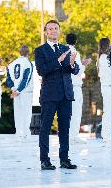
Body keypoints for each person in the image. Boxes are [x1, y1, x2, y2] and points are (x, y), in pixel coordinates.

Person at [34, 20, 79, 170]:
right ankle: (44, 160)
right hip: (49, 95)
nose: (53, 31)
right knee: (45, 128)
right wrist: (58, 61)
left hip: (66, 94)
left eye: (56, 28)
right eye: (50, 29)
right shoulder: (40, 50)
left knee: (65, 128)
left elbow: (75, 70)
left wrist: (72, 63)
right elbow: (41, 70)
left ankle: (64, 159)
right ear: (46, 32)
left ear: (59, 31)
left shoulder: (66, 48)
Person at [66, 33, 91, 144]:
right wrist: (84, 64)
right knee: (75, 112)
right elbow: (78, 70)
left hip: (64, 86)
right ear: (75, 41)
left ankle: (66, 136)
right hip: (74, 86)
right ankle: (73, 136)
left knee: (66, 113)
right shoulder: (75, 52)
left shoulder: (62, 51)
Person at [6, 45, 33, 140]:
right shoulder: (28, 63)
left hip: (15, 91)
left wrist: (14, 89)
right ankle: (25, 133)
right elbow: (26, 78)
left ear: (19, 52)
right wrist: (18, 90)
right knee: (26, 112)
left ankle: (18, 132)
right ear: (28, 52)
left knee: (17, 112)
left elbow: (8, 79)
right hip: (25, 91)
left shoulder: (12, 64)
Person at [98, 37, 111, 143]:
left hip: (110, 87)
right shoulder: (104, 58)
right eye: (109, 44)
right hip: (109, 88)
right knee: (109, 112)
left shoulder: (105, 57)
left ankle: (108, 134)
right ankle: (106, 135)